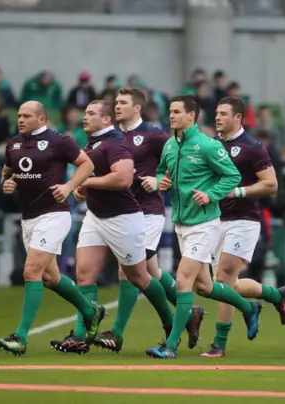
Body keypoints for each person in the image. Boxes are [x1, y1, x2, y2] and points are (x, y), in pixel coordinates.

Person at [48, 100, 185, 354]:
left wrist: (88, 182)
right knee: (85, 275)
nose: (84, 117)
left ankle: (171, 323)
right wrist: (81, 187)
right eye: (85, 112)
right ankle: (81, 335)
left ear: (107, 120)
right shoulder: (93, 142)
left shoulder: (114, 143)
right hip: (96, 216)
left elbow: (123, 178)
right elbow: (92, 177)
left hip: (123, 218)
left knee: (139, 276)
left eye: (91, 113)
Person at [144, 95, 262, 359]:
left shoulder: (207, 145)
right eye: (170, 111)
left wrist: (211, 194)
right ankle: (248, 306)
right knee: (205, 287)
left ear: (191, 116)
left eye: (177, 112)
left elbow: (232, 175)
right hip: (181, 223)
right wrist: (161, 181)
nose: (171, 115)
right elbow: (162, 171)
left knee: (182, 280)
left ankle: (170, 346)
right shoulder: (169, 146)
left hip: (205, 224)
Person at [92, 88, 204, 352]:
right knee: (150, 272)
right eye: (115, 103)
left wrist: (161, 181)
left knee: (128, 270)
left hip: (147, 212)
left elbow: (180, 161)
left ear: (137, 108)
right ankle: (187, 314)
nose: (116, 107)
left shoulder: (154, 135)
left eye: (122, 103)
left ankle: (116, 333)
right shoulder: (111, 136)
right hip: (118, 213)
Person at [0, 101, 105, 356]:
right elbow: (7, 172)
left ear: (42, 118)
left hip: (54, 215)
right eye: (19, 115)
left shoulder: (59, 141)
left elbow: (87, 165)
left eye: (26, 116)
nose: (20, 120)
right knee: (49, 278)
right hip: (29, 218)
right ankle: (91, 311)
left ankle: (19, 338)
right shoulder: (14, 144)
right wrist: (6, 183)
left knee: (31, 271)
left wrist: (67, 187)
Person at [199, 96, 285, 358]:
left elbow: (271, 185)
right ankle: (274, 296)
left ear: (238, 117)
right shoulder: (211, 146)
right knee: (225, 286)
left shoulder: (253, 148)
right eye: (216, 113)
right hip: (215, 220)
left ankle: (219, 343)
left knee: (223, 279)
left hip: (243, 220)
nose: (217, 118)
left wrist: (238, 192)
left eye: (224, 114)